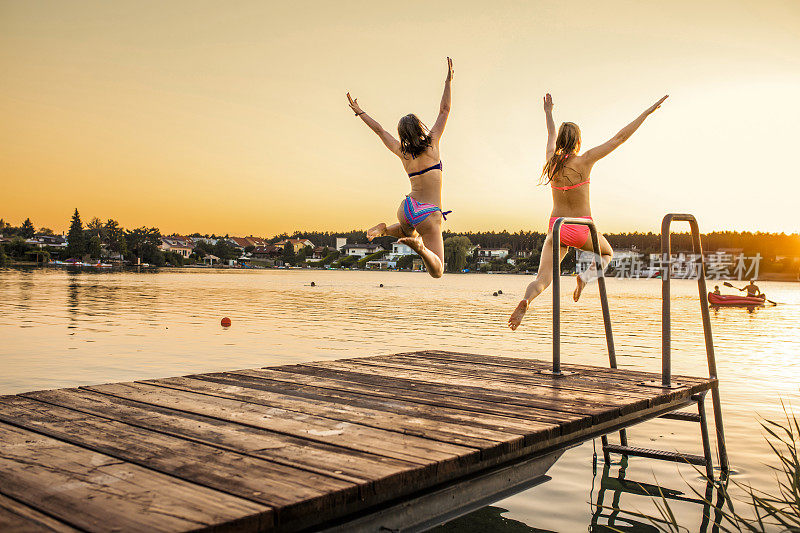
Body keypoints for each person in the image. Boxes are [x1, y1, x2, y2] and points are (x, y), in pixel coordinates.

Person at [508, 93, 669, 330]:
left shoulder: (551, 162)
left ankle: (526, 300)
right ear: (578, 142)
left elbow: (550, 134)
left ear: (561, 141)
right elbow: (620, 138)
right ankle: (584, 278)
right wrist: (647, 112)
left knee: (543, 279)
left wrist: (549, 113)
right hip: (583, 228)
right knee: (607, 255)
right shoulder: (586, 160)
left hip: (557, 227)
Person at [346, 57, 454, 278]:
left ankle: (384, 229)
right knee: (438, 271)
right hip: (429, 213)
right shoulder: (432, 143)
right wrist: (448, 81)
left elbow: (379, 130)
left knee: (406, 229)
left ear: (403, 135)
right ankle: (421, 248)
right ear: (420, 128)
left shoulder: (402, 152)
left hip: (408, 208)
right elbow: (444, 110)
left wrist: (359, 111)